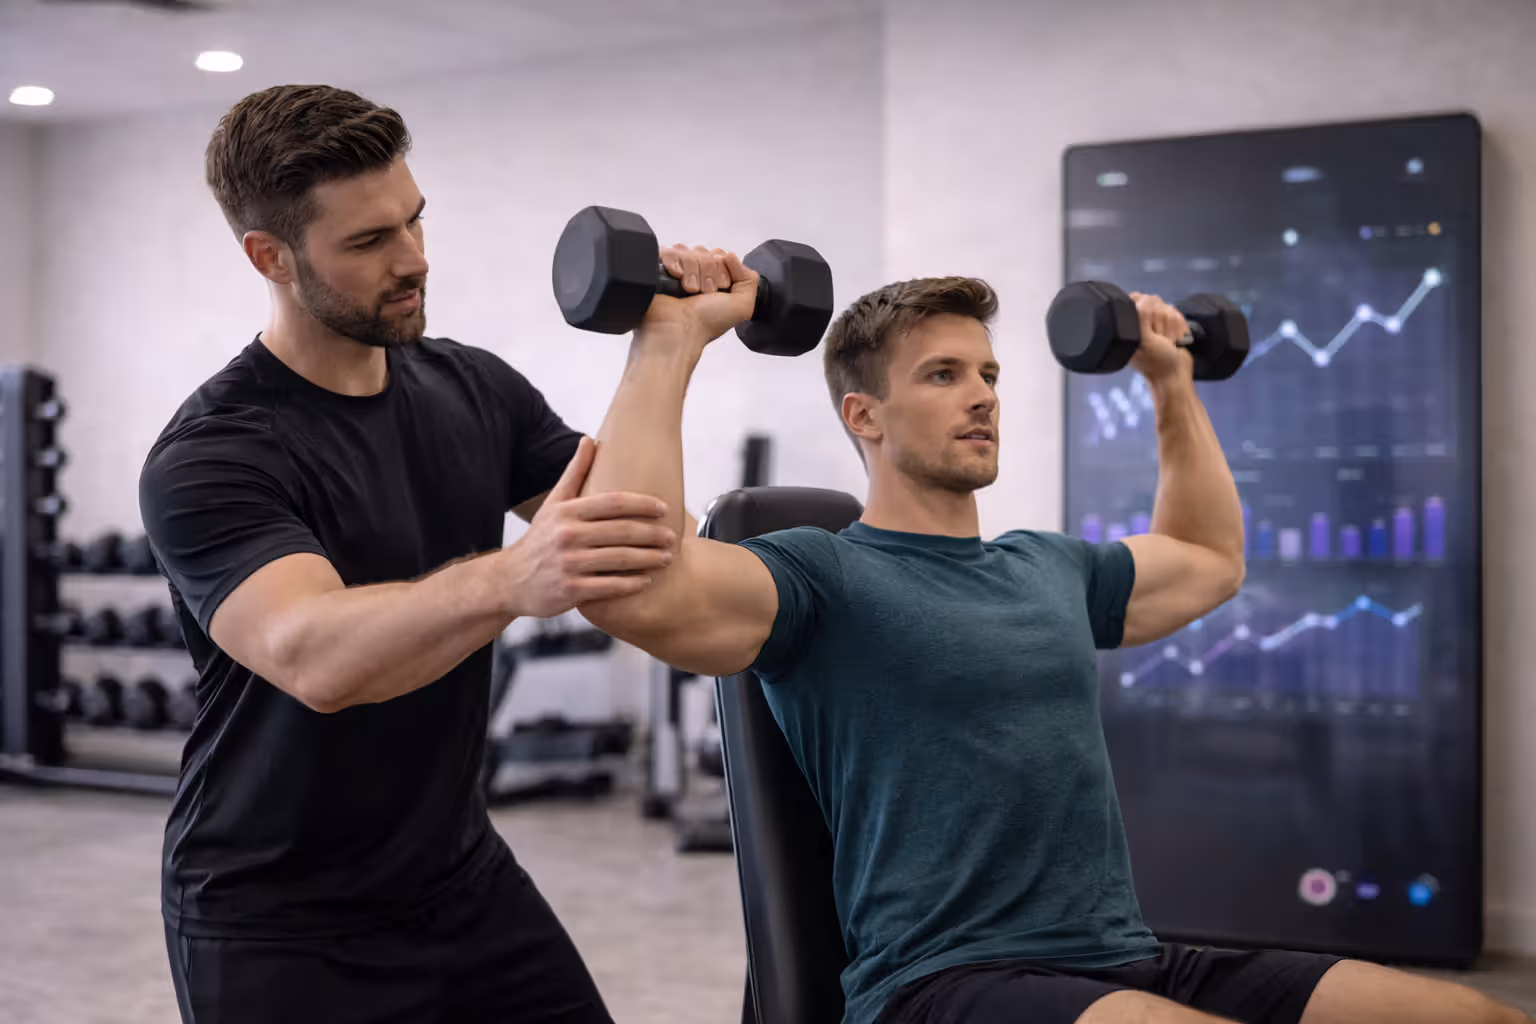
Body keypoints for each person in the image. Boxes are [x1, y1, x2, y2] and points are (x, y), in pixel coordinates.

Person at [575, 251, 1529, 1024]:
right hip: (944, 983)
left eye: (987, 373)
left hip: (1127, 961)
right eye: (943, 376)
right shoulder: (824, 574)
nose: (983, 396)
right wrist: (669, 342)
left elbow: (1205, 556)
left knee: (1468, 1015)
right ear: (863, 415)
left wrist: (1171, 380)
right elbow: (642, 586)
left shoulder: (1050, 567)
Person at [138, 84, 676, 1023]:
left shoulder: (474, 387)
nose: (413, 260)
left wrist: (665, 346)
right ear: (270, 257)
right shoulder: (215, 452)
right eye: (368, 242)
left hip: (459, 877)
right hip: (275, 920)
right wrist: (513, 577)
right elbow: (316, 655)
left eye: (415, 221)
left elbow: (634, 537)